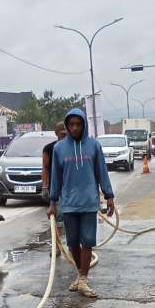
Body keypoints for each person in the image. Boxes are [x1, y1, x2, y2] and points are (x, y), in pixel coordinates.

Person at [49, 107, 116, 298]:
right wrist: (52, 202)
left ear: (84, 125)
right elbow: (56, 177)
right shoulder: (59, 149)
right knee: (72, 243)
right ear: (67, 126)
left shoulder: (94, 146)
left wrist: (109, 196)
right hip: (68, 203)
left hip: (89, 202)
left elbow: (101, 171)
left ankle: (83, 280)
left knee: (87, 241)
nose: (75, 128)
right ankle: (80, 275)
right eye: (71, 124)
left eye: (78, 124)